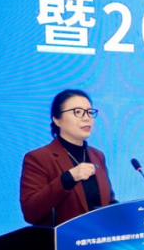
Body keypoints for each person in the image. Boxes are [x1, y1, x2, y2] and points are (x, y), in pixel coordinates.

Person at [20, 89, 117, 226]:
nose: (86, 118)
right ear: (57, 119)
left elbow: (108, 202)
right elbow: (31, 212)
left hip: (99, 237)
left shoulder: (97, 156)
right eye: (77, 112)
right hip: (63, 239)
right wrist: (67, 179)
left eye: (89, 112)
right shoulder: (38, 158)